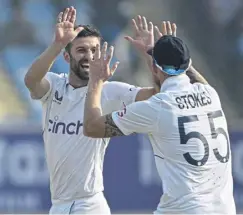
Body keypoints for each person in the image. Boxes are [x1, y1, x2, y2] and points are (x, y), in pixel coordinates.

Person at [83, 22, 236, 214]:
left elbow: (91, 127)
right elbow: (184, 76)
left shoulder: (157, 108)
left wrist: (95, 82)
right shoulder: (210, 94)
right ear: (187, 63)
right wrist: (166, 50)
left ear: (155, 68)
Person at [24, 7, 157, 214]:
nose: (89, 56)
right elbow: (31, 80)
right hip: (58, 205)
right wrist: (57, 45)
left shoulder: (109, 91)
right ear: (67, 57)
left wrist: (150, 54)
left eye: (95, 50)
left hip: (88, 204)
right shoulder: (54, 86)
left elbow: (158, 94)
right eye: (81, 50)